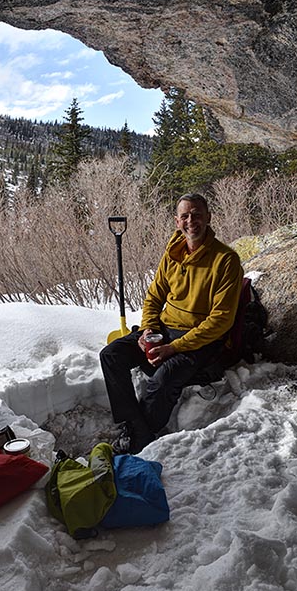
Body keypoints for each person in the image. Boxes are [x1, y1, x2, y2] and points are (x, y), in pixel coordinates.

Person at [100, 193, 244, 454]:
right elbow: (155, 296)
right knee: (112, 355)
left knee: (163, 379)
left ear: (209, 218)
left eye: (197, 214)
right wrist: (148, 331)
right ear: (177, 221)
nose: (192, 221)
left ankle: (137, 440)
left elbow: (221, 320)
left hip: (200, 340)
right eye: (185, 216)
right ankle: (134, 428)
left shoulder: (226, 261)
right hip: (165, 329)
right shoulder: (173, 252)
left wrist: (174, 348)